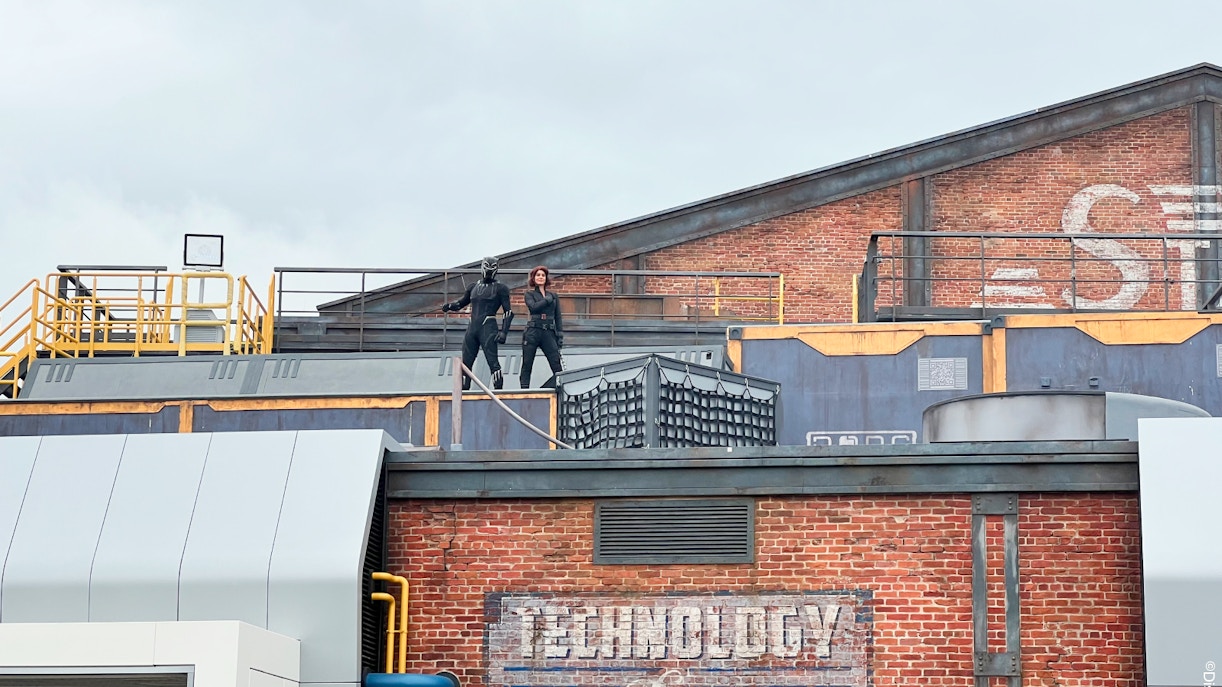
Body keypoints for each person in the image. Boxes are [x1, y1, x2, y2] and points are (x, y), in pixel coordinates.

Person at [442, 256, 514, 390]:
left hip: (488, 327)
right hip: (473, 328)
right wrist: (450, 306)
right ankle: (463, 392)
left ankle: (498, 392)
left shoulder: (501, 288)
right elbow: (462, 303)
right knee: (466, 362)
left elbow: (508, 312)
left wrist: (504, 332)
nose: (489, 270)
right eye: (487, 266)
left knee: (493, 362)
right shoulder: (473, 287)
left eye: (492, 267)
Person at [520, 265, 564, 388]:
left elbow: (558, 316)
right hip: (533, 331)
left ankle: (560, 390)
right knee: (527, 364)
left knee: (556, 363)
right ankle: (524, 391)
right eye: (538, 275)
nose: (541, 277)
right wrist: (546, 300)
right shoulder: (529, 294)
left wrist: (560, 334)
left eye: (543, 275)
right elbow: (533, 308)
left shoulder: (553, 295)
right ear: (533, 278)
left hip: (548, 332)